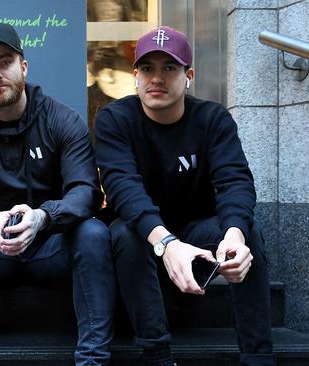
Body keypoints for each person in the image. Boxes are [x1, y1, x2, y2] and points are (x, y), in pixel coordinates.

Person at [0, 22, 116, 366]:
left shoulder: (63, 119)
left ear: (24, 66)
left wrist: (42, 218)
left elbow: (85, 191)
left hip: (52, 248)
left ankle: (92, 360)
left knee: (94, 232)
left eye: (5, 62)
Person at [94, 26, 275, 366]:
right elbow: (122, 189)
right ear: (135, 76)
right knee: (121, 231)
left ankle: (258, 358)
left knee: (245, 232)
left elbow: (235, 181)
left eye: (169, 68)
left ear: (188, 75)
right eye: (147, 68)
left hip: (197, 235)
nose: (157, 78)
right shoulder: (115, 119)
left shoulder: (213, 119)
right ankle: (158, 356)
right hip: (144, 242)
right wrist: (166, 243)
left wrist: (233, 235)